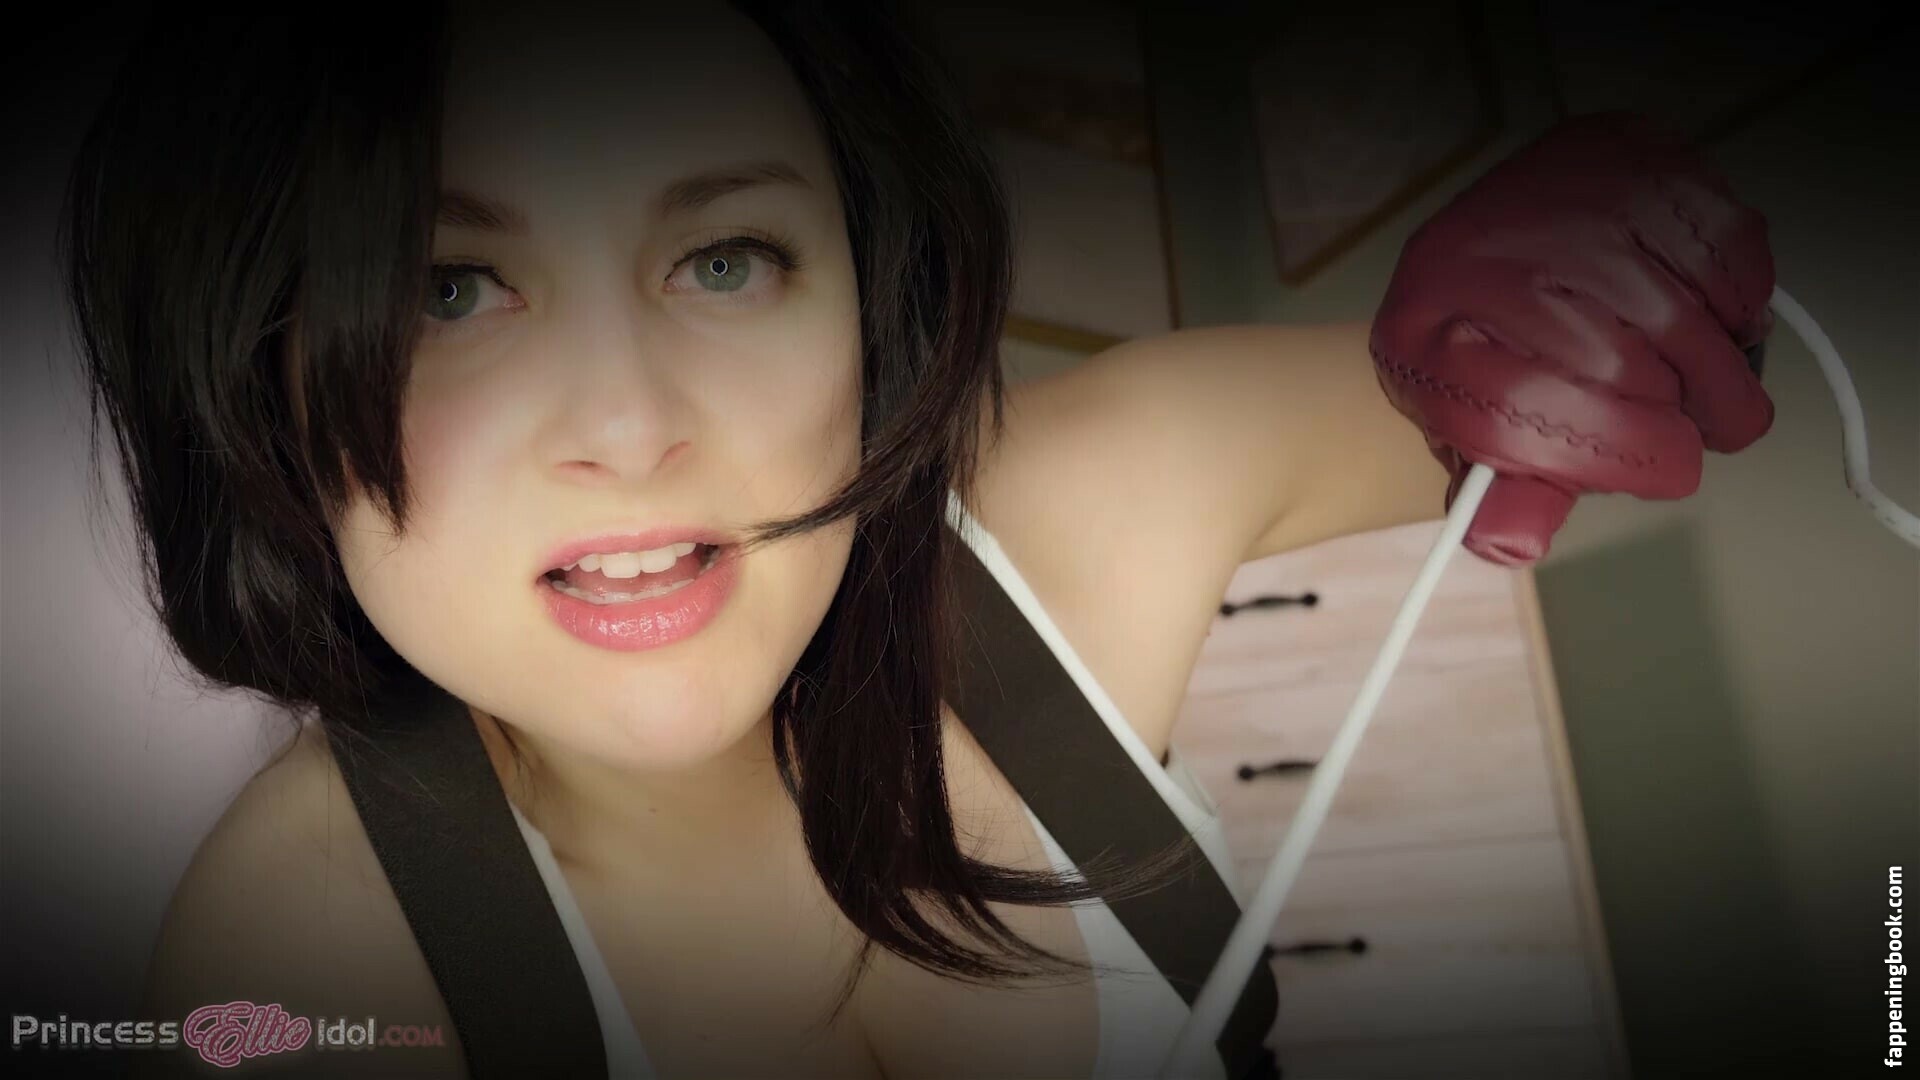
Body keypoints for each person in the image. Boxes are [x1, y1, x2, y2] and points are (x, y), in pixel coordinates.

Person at [59, 2, 1776, 1077]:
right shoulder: (293, 971)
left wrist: (1633, 276)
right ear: (251, 378)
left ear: (867, 300)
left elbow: (1590, 388)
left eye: (725, 259)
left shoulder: (1088, 498)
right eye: (451, 289)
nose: (633, 428)